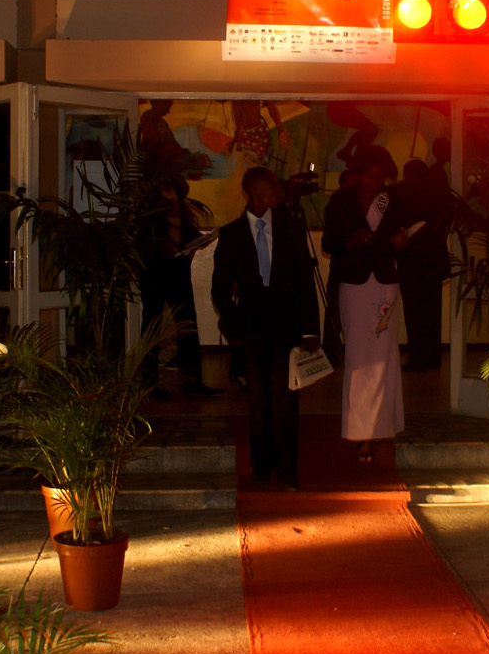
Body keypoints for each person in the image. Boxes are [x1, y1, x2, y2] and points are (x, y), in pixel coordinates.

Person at [210, 167, 319, 490]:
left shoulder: (291, 228)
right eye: (271, 188)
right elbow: (219, 288)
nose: (278, 192)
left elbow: (305, 281)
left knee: (286, 401)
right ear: (256, 193)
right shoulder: (232, 234)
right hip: (253, 330)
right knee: (258, 402)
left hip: (287, 326)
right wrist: (234, 328)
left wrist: (310, 330)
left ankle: (287, 471)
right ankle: (261, 467)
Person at [322, 146, 407, 463]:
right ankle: (360, 432)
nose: (374, 183)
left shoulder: (392, 201)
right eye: (369, 177)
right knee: (358, 358)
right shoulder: (341, 201)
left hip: (385, 282)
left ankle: (383, 427)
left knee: (385, 357)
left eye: (380, 178)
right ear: (358, 174)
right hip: (353, 283)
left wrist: (401, 245)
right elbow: (328, 243)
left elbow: (402, 242)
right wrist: (351, 241)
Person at [140, 173, 216, 396]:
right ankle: (149, 382)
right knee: (152, 323)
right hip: (154, 270)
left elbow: (185, 229)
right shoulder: (150, 201)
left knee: (187, 323)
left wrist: (197, 240)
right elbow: (144, 235)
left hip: (178, 269)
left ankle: (191, 379)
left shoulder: (180, 203)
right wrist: (160, 247)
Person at [394, 159, 452, 372]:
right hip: (432, 264)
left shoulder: (406, 196)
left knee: (414, 314)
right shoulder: (437, 196)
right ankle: (431, 356)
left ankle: (418, 356)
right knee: (432, 313)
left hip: (413, 263)